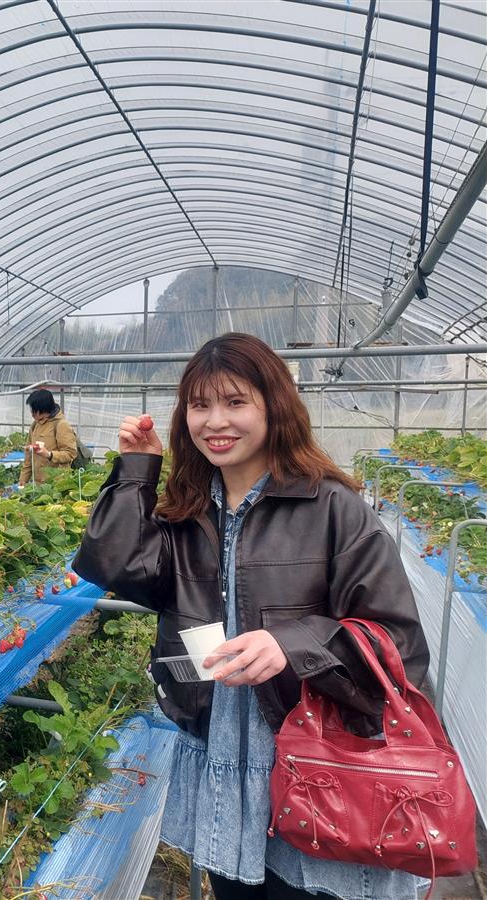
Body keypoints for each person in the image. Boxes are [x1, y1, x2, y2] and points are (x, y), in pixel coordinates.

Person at [72, 333, 429, 900]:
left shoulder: (333, 508)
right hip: (221, 762)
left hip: (314, 762)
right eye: (200, 404)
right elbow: (111, 563)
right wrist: (137, 469)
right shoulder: (186, 515)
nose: (216, 421)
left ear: (274, 405)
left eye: (235, 402)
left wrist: (293, 643)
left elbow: (401, 645)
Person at [18, 388, 79, 487]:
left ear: (43, 409)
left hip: (58, 484)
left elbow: (71, 454)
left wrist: (49, 455)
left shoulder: (61, 425)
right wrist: (23, 479)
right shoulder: (35, 426)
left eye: (34, 410)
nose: (32, 414)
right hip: (38, 485)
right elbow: (29, 456)